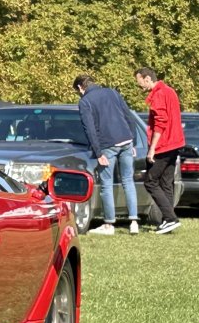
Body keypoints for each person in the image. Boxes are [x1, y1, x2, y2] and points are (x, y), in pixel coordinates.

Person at [74, 74, 139, 235]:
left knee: (106, 184)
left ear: (81, 88)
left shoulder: (85, 102)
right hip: (126, 140)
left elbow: (89, 129)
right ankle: (134, 222)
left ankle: (109, 224)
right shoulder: (112, 92)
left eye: (77, 91)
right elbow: (128, 116)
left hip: (107, 144)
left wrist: (98, 153)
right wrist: (133, 141)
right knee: (128, 181)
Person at [135, 66, 184, 235]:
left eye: (140, 82)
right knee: (166, 183)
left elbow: (160, 124)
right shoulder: (170, 91)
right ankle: (167, 221)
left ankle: (170, 218)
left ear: (147, 79)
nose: (140, 87)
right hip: (175, 143)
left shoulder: (158, 94)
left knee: (150, 181)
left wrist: (152, 149)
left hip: (164, 144)